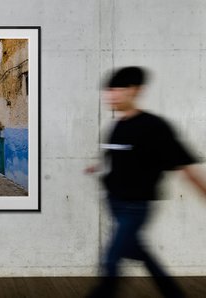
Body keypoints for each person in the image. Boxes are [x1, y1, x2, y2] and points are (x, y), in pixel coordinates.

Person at [85, 66, 206, 298]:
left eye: (118, 90)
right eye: (109, 91)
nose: (111, 96)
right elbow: (114, 155)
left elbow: (184, 165)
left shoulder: (154, 126)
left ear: (135, 90)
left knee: (111, 260)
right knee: (140, 252)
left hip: (135, 206)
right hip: (115, 202)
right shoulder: (117, 126)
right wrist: (97, 166)